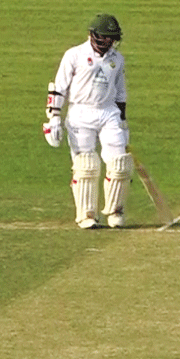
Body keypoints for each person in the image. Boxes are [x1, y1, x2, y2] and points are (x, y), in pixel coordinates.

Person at [43, 13, 132, 229]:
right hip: (80, 113)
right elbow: (59, 87)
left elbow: (120, 91)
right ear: (95, 36)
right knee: (86, 166)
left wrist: (122, 120)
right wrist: (54, 117)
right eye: (106, 37)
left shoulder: (117, 59)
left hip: (108, 112)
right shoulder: (74, 55)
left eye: (112, 38)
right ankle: (86, 215)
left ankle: (115, 211)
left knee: (119, 163)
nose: (109, 41)